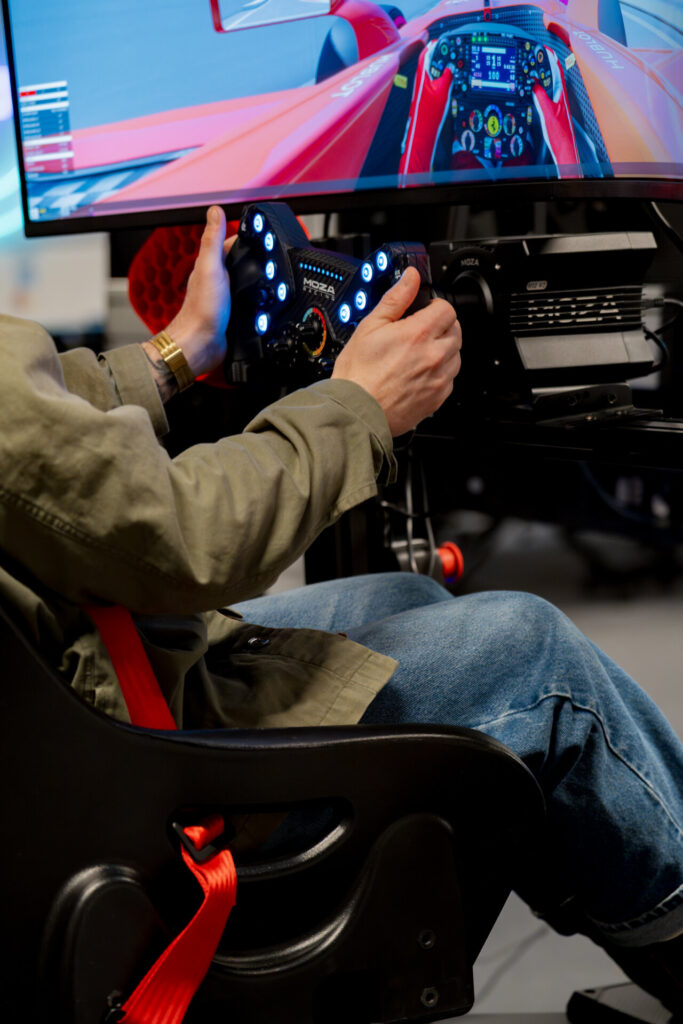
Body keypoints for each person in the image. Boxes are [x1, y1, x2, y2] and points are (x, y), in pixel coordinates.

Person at [0, 206, 681, 1014]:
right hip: (129, 770)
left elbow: (35, 431)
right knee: (534, 659)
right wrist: (357, 404)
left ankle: (611, 889)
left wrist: (176, 351)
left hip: (77, 693)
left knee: (406, 595)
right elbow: (187, 537)